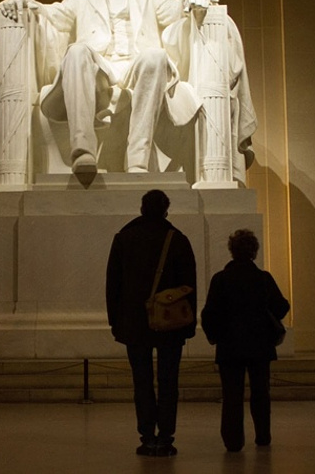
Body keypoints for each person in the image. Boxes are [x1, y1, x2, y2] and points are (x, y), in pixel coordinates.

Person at [0, 0, 256, 176]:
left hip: (137, 68)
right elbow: (51, 14)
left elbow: (178, 7)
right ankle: (82, 151)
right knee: (76, 51)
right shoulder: (79, 1)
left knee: (155, 55)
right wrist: (26, 2)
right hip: (98, 71)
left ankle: (138, 159)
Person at [106, 189, 197, 457]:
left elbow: (113, 286)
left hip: (134, 324)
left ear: (142, 209)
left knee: (142, 382)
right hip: (171, 324)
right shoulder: (177, 240)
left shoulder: (125, 238)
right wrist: (189, 325)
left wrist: (116, 323)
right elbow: (189, 287)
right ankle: (166, 436)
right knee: (169, 382)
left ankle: (147, 436)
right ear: (166, 210)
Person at [200, 229, 290, 451]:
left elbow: (208, 314)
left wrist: (217, 336)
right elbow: (282, 306)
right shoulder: (263, 278)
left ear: (232, 251)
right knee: (261, 392)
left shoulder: (221, 279)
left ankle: (233, 441)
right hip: (260, 345)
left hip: (230, 346)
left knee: (231, 396)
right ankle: (262, 436)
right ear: (254, 251)